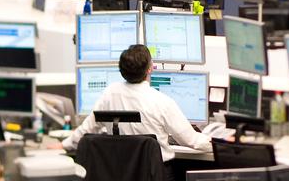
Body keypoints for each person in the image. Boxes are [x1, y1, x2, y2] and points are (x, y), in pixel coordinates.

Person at [62, 44, 212, 161]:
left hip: (119, 180)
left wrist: (64, 144)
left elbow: (86, 130)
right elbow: (192, 140)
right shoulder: (162, 102)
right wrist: (220, 143)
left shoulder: (109, 94)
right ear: (149, 69)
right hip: (154, 179)